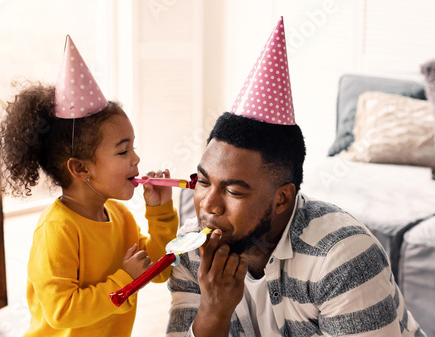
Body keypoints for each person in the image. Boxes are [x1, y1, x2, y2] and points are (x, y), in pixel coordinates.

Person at [166, 18, 426, 337]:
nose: (209, 205)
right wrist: (212, 313)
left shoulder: (341, 256)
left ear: (282, 198)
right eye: (203, 181)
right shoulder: (193, 247)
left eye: (233, 191)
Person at [0, 36, 178, 337]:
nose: (136, 158)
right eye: (122, 151)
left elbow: (159, 270)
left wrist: (161, 214)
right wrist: (124, 280)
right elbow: (61, 311)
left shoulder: (120, 216)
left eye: (133, 147)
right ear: (80, 168)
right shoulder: (56, 230)